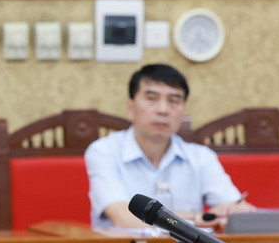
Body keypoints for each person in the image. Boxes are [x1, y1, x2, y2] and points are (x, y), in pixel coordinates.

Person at [86, 63, 256, 230]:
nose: (163, 110)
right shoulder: (103, 152)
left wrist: (233, 210)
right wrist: (197, 219)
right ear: (130, 107)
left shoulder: (201, 157)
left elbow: (236, 210)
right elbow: (123, 218)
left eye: (174, 101)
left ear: (183, 111)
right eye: (151, 99)